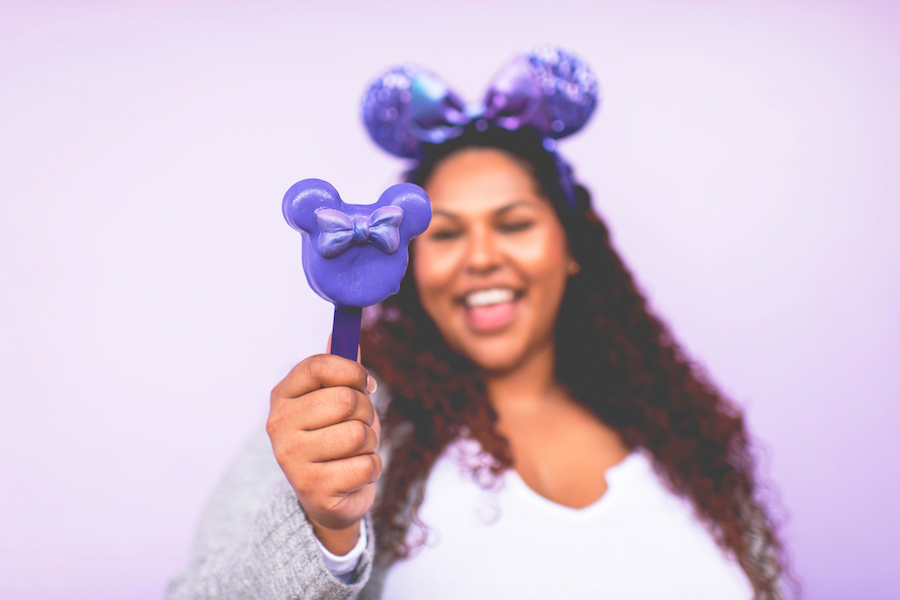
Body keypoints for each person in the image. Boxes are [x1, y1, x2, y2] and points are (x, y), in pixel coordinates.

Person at [167, 48, 791, 600]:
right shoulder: (340, 431)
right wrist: (325, 528)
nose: (483, 256)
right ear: (410, 256)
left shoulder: (682, 435)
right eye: (446, 233)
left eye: (514, 224)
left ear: (572, 247)